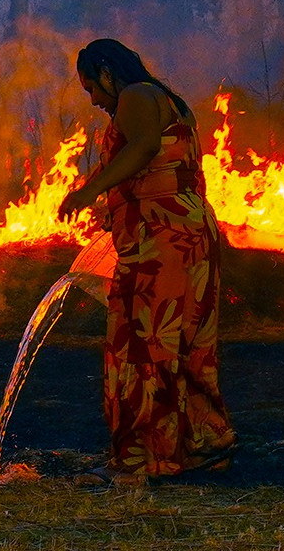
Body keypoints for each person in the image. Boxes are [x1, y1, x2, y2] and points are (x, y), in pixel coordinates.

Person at [58, 38, 236, 487]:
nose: (95, 101)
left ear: (106, 71)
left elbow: (139, 149)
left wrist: (88, 192)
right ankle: (202, 448)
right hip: (188, 235)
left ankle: (140, 463)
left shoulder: (136, 95)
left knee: (143, 346)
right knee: (185, 345)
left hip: (161, 242)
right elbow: (158, 166)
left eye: (92, 89)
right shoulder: (167, 99)